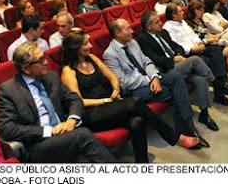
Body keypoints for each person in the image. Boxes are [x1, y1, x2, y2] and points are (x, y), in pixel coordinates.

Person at [61, 31, 200, 162]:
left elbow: (112, 76)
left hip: (110, 106)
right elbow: (79, 102)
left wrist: (115, 88)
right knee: (135, 102)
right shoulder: (68, 71)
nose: (90, 46)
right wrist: (105, 100)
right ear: (75, 48)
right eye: (85, 43)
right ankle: (174, 137)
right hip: (92, 114)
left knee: (137, 122)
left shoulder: (91, 58)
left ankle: (142, 164)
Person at [0, 42, 116, 163]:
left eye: (45, 57)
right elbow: (8, 129)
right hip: (38, 144)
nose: (46, 62)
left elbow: (74, 99)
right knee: (83, 135)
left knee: (86, 159)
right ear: (26, 69)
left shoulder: (51, 77)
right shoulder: (8, 90)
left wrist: (71, 120)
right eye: (41, 60)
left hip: (66, 135)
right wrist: (50, 131)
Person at [103, 19, 210, 147]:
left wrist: (154, 77)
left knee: (176, 78)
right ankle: (190, 130)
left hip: (151, 77)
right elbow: (124, 83)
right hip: (136, 89)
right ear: (117, 33)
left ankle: (188, 130)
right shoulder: (110, 54)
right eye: (127, 28)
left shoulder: (132, 43)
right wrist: (150, 80)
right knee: (176, 91)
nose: (132, 31)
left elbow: (147, 62)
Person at [137, 11, 219, 131]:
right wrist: (173, 59)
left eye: (160, 20)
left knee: (201, 80)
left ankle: (204, 114)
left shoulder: (163, 32)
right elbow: (154, 60)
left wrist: (179, 54)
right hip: (166, 69)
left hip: (178, 64)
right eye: (157, 22)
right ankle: (218, 83)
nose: (161, 23)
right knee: (195, 60)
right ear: (148, 26)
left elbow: (176, 46)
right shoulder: (142, 39)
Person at [163, 4, 228, 103]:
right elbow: (174, 45)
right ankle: (221, 91)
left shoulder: (183, 22)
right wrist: (191, 49)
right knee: (209, 61)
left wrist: (200, 42)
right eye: (180, 11)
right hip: (188, 53)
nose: (183, 12)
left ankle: (222, 85)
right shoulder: (168, 28)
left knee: (216, 49)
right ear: (173, 15)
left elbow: (192, 35)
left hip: (198, 46)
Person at [184, 1, 228, 89]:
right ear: (194, 11)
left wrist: (215, 36)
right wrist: (212, 38)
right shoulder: (189, 23)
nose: (203, 11)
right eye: (200, 10)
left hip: (213, 40)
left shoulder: (201, 20)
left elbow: (209, 32)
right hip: (206, 45)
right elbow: (196, 39)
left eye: (203, 9)